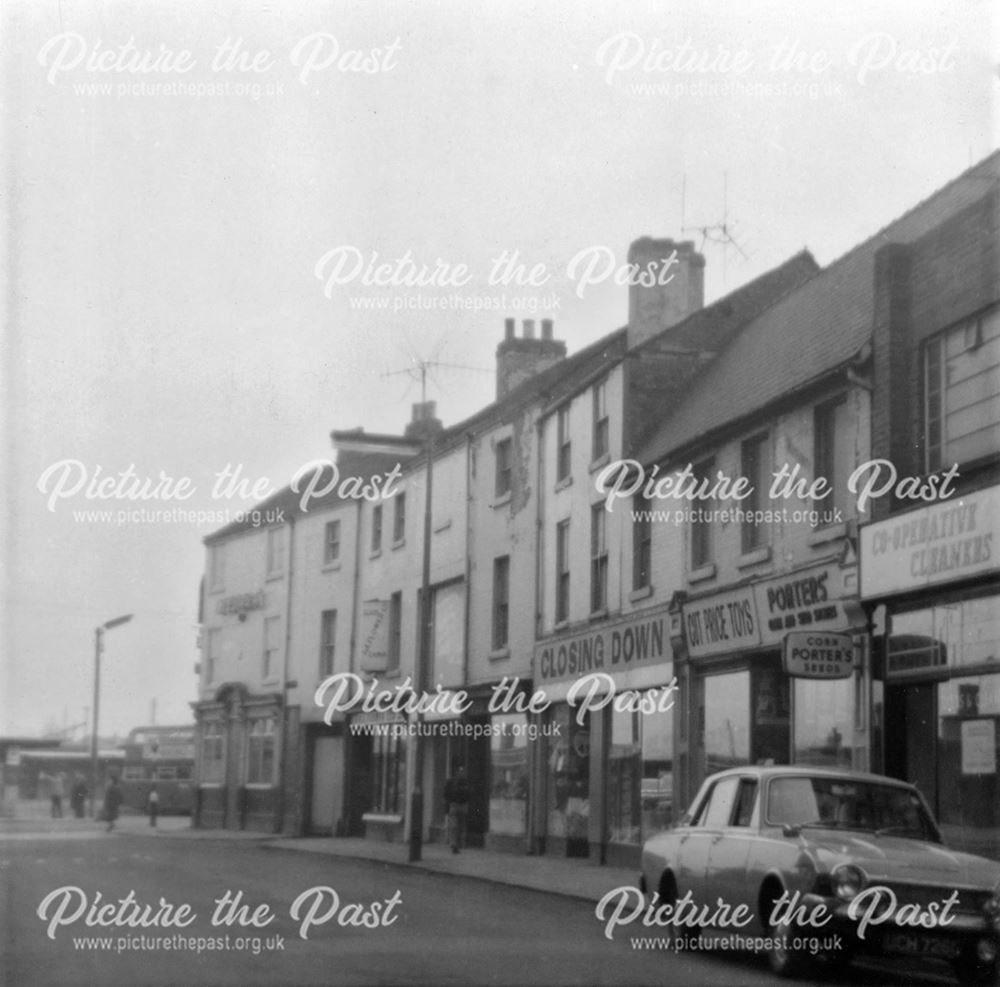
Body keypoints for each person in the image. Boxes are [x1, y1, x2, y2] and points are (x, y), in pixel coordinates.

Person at [443, 766, 470, 854]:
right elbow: (446, 794)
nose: (462, 773)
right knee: (456, 826)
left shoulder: (464, 782)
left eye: (462, 772)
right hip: (455, 805)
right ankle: (456, 844)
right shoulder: (454, 782)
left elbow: (446, 794)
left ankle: (458, 844)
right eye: (460, 772)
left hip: (460, 805)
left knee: (458, 826)